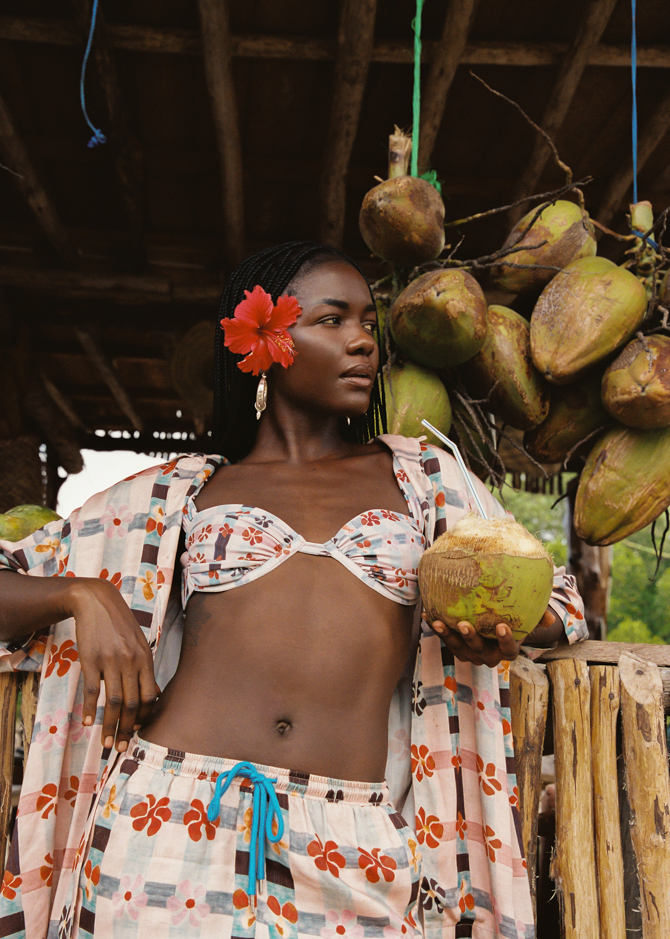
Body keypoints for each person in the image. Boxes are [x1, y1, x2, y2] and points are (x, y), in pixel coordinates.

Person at [0, 242, 586, 939]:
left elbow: (557, 598)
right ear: (264, 340)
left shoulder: (425, 480)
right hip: (169, 814)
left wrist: (504, 626)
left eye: (368, 322)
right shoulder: (182, 492)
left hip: (355, 830)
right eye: (332, 320)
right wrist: (82, 596)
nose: (363, 340)